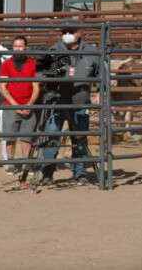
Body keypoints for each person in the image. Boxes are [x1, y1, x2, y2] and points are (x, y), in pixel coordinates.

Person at [39, 20, 100, 186]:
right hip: (56, 101)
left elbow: (101, 73)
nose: (67, 34)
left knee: (79, 138)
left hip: (80, 103)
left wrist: (100, 91)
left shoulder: (91, 52)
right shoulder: (54, 51)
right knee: (51, 136)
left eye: (71, 31)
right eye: (64, 31)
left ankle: (80, 173)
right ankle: (47, 173)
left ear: (79, 33)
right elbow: (41, 73)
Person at [0, 36, 40, 175]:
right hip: (11, 105)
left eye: (20, 46)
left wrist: (29, 104)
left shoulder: (32, 64)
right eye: (15, 46)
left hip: (28, 105)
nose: (17, 49)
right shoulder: (7, 64)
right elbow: (2, 87)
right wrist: (15, 105)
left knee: (26, 137)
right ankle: (10, 162)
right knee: (10, 135)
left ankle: (25, 163)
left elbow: (36, 87)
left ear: (25, 47)